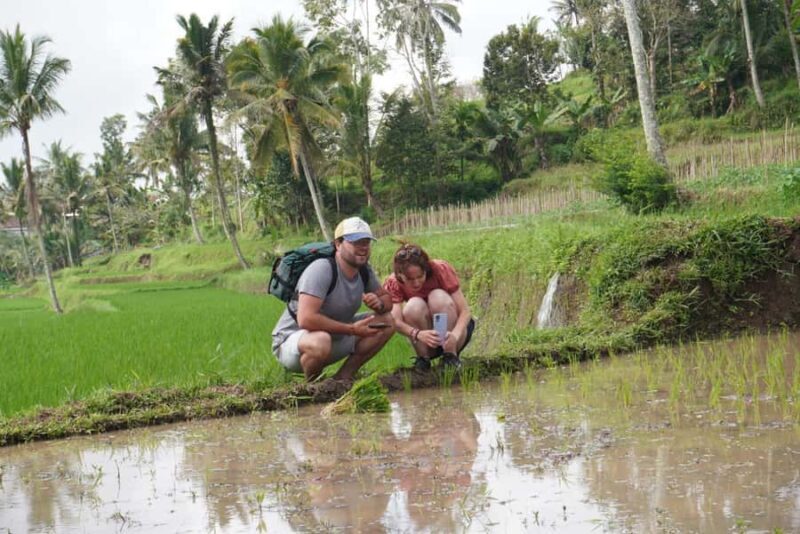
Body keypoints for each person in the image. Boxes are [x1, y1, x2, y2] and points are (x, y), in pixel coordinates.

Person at [271, 217, 394, 382]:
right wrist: (352, 330)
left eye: (366, 242)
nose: (363, 248)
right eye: (355, 242)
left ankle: (343, 378)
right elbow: (306, 319)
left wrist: (379, 304)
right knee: (321, 340)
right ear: (338, 244)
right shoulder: (322, 269)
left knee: (388, 321)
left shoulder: (364, 270)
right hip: (293, 343)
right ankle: (316, 386)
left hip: (334, 336)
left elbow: (387, 299)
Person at [383, 243, 475, 370]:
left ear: (426, 270)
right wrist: (418, 334)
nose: (416, 283)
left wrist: (455, 335)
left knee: (437, 296)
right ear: (400, 275)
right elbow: (395, 321)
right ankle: (423, 358)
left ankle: (450, 356)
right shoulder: (393, 282)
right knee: (413, 305)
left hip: (453, 334)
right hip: (426, 339)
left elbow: (465, 311)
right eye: (410, 279)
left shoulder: (440, 269)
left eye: (420, 276)